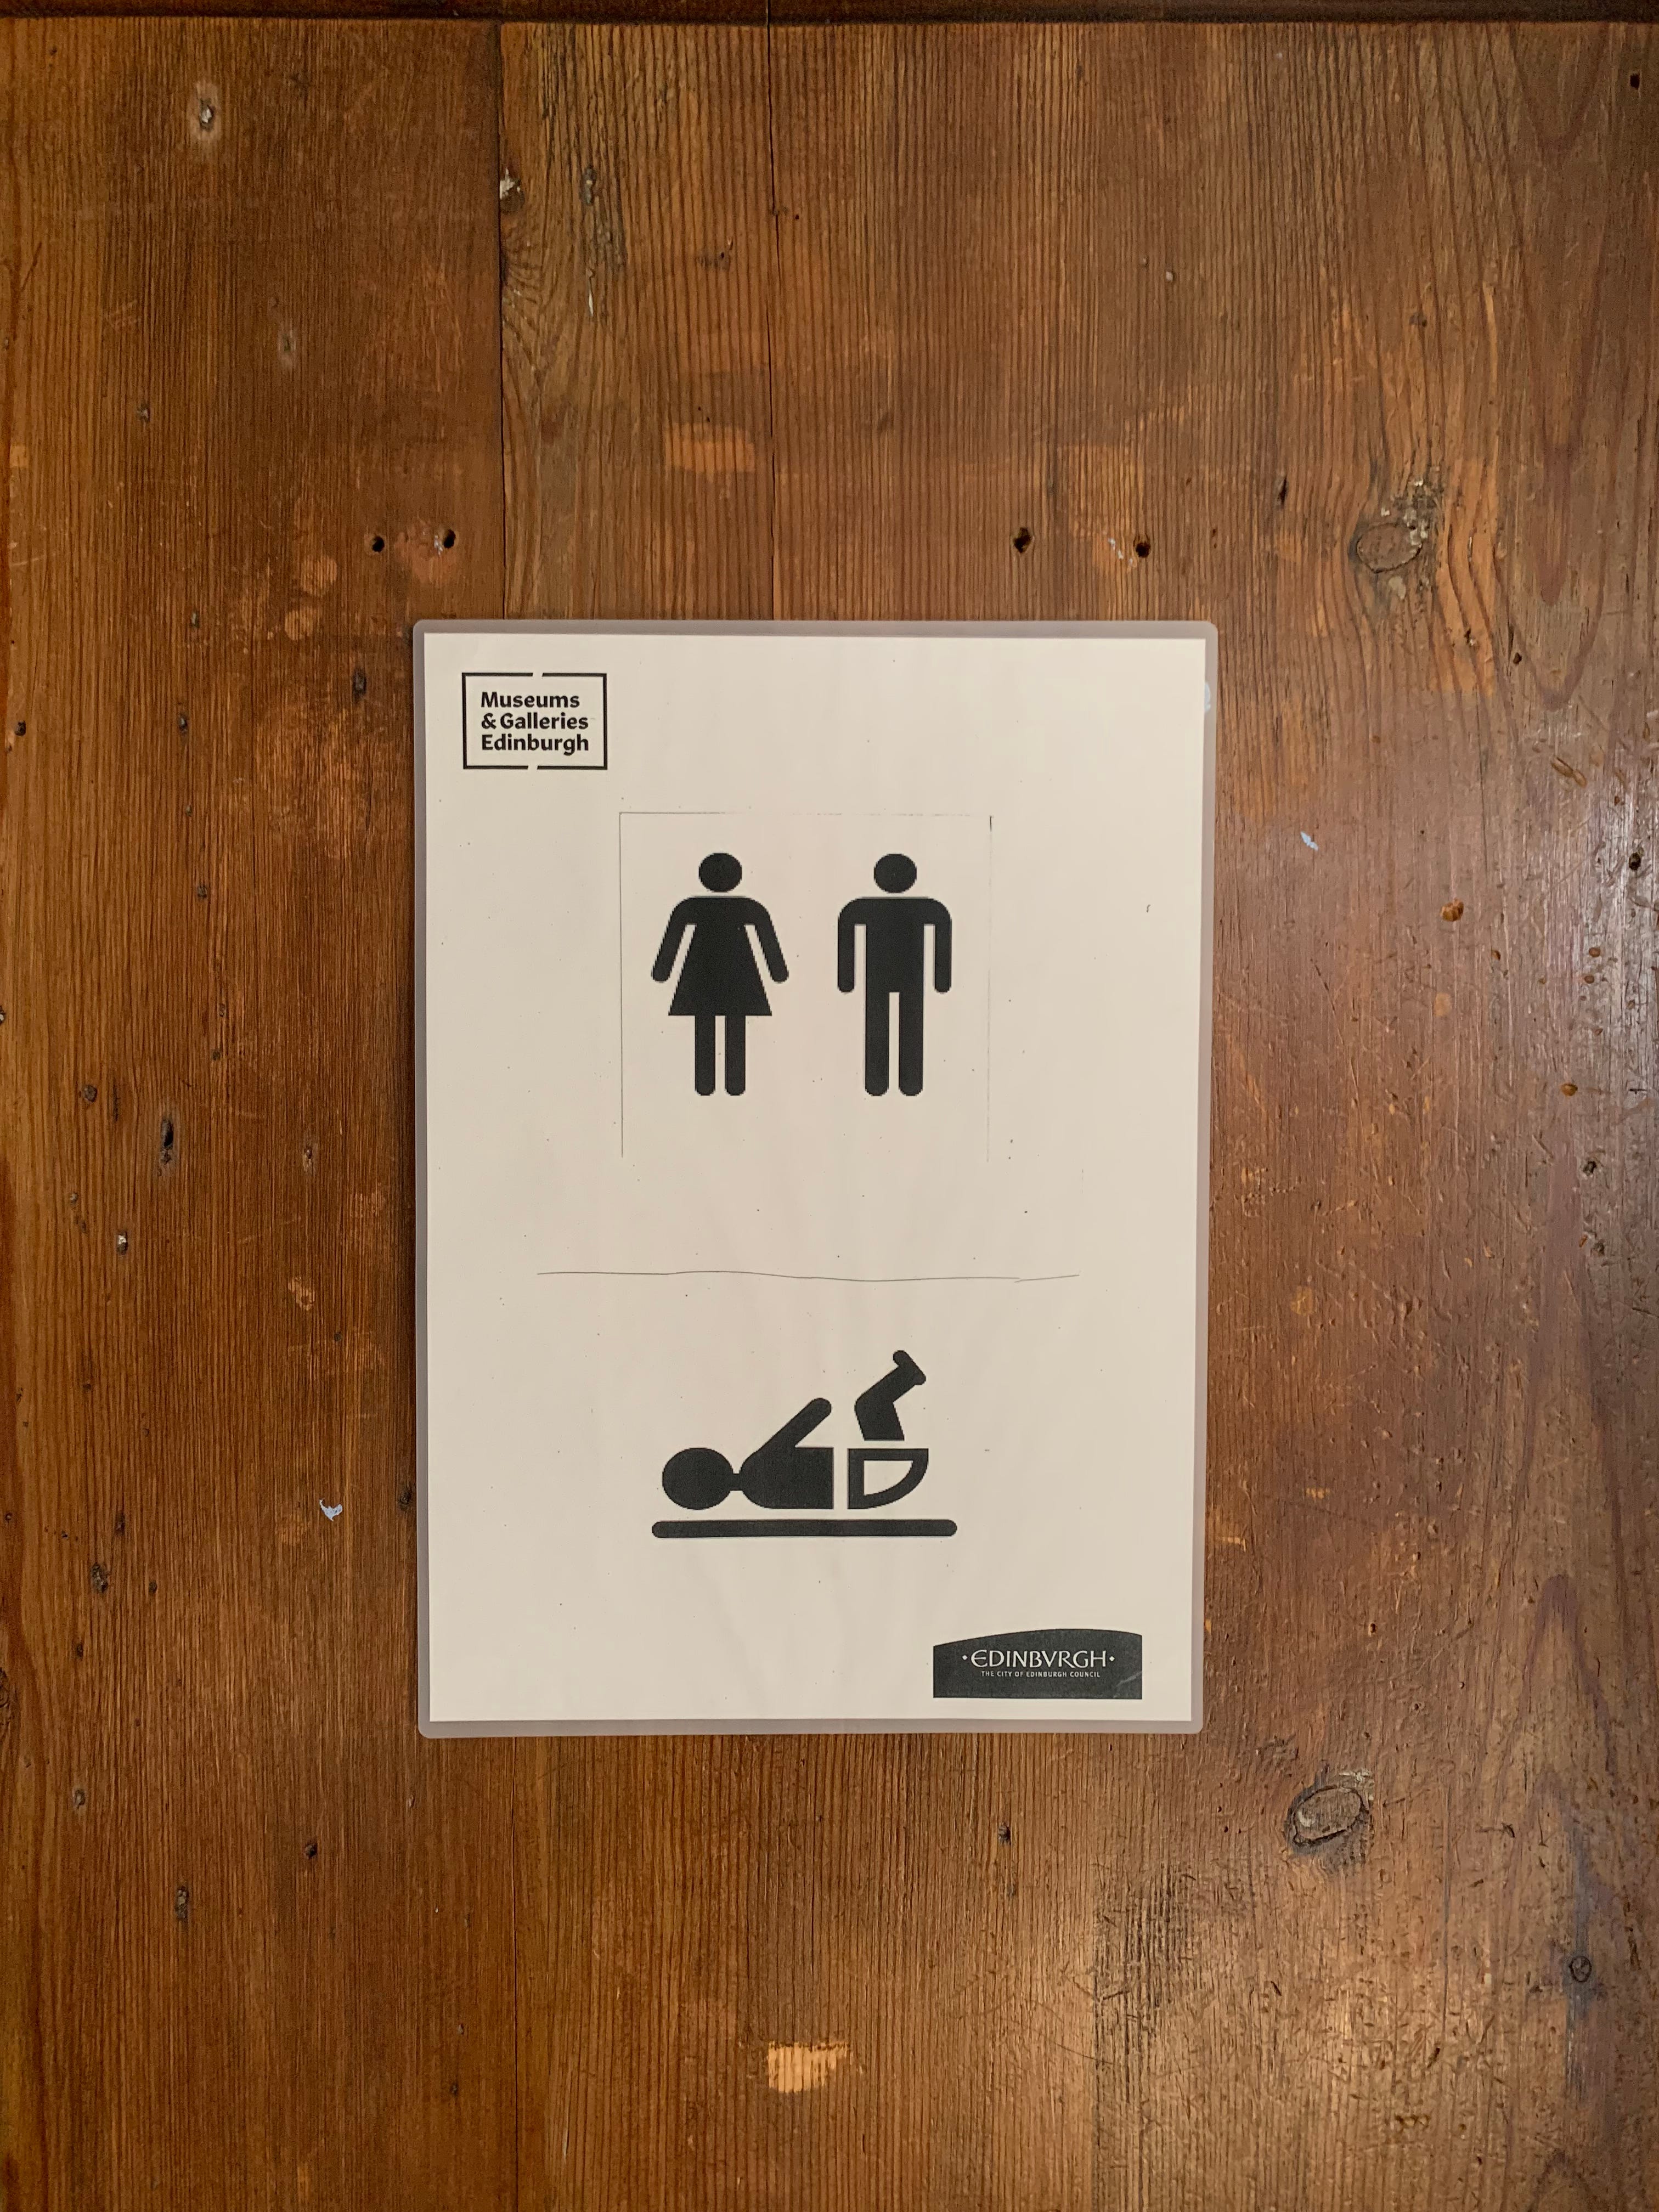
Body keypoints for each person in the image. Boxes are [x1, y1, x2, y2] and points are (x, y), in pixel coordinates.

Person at [652, 853, 788, 1096]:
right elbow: (767, 941)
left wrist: (662, 972)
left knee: (705, 1026)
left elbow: (673, 941)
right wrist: (778, 973)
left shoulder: (690, 906)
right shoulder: (749, 907)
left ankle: (706, 1085)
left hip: (701, 974)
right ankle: (734, 1085)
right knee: (735, 1027)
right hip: (739, 974)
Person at [837, 855, 951, 1096]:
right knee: (908, 1024)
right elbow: (942, 928)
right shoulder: (927, 907)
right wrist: (941, 980)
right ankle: (908, 1083)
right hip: (909, 977)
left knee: (880, 1023)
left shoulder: (862, 907)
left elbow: (847, 928)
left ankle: (878, 1083)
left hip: (880, 977)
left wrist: (847, 980)